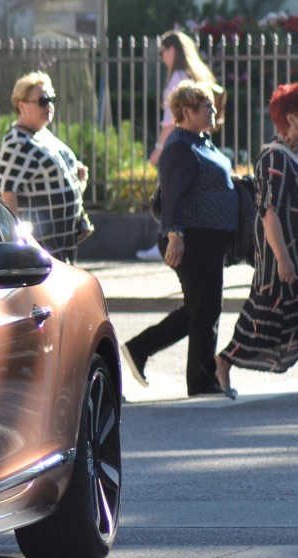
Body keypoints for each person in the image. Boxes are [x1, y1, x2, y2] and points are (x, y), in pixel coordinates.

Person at [121, 79, 239, 398]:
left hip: (206, 240)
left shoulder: (200, 141)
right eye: (207, 107)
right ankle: (201, 383)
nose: (214, 110)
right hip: (191, 239)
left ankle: (139, 349)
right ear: (186, 111)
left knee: (198, 307)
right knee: (208, 307)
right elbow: (172, 196)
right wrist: (176, 235)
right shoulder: (179, 147)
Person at [215, 83, 298, 397]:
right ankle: (224, 362)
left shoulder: (295, 154)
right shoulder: (273, 158)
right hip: (282, 254)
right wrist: (283, 259)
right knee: (263, 318)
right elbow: (269, 212)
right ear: (291, 119)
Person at [139, 31, 220, 259]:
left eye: (162, 51)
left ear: (172, 50)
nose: (162, 56)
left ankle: (167, 238)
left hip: (176, 142)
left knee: (169, 192)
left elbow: (170, 119)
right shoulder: (194, 73)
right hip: (196, 143)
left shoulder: (177, 78)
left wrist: (158, 147)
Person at [0, 71, 90, 263]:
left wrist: (77, 180)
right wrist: (15, 246)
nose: (49, 105)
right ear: (21, 105)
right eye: (42, 100)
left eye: (52, 99)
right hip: (41, 250)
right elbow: (7, 194)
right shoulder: (17, 142)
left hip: (62, 246)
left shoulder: (41, 133)